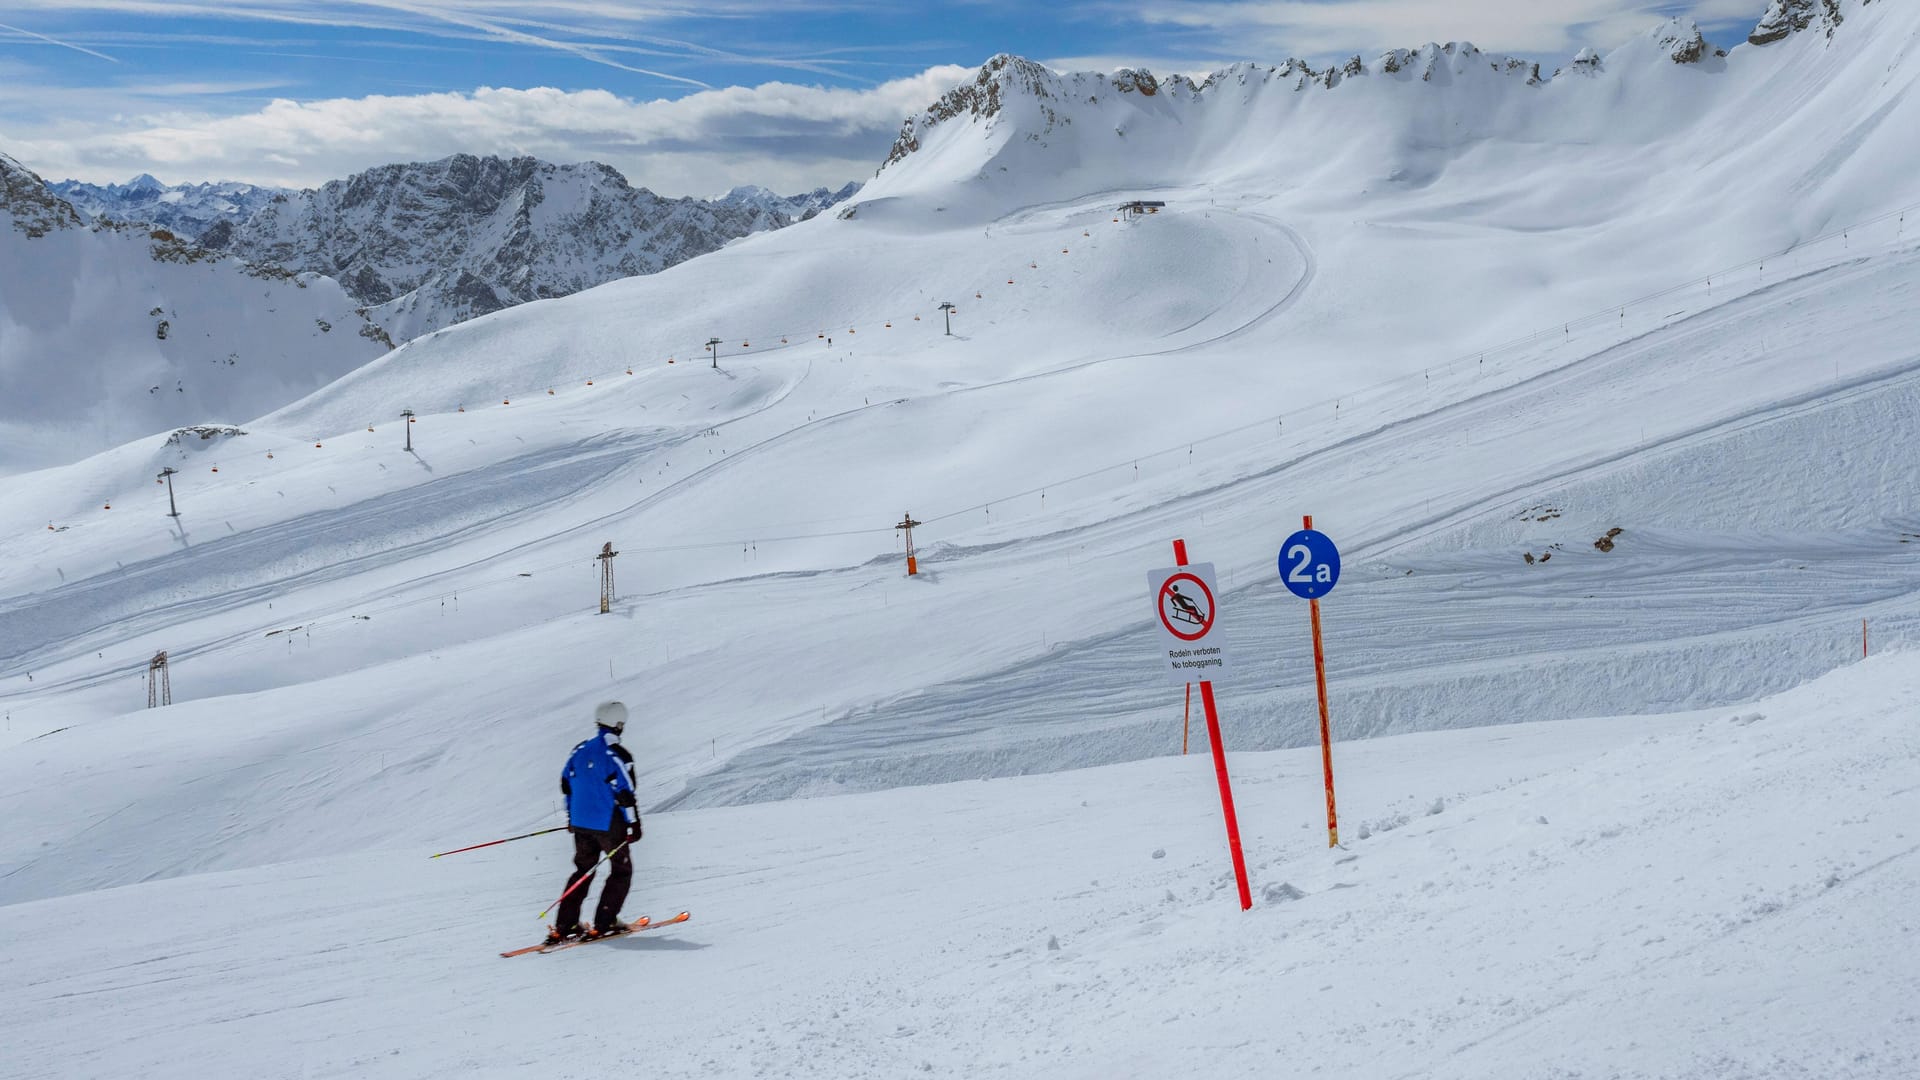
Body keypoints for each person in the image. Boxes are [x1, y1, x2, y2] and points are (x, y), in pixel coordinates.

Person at [549, 701, 643, 943]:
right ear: (619, 724)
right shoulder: (617, 754)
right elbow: (625, 793)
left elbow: (566, 785)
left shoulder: (579, 750)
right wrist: (634, 823)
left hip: (581, 824)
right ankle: (606, 921)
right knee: (621, 871)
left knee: (583, 870)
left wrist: (572, 817)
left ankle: (566, 924)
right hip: (608, 824)